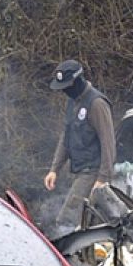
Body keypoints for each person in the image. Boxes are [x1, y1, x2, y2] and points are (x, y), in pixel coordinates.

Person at [44, 59, 115, 234]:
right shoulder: (72, 102)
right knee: (86, 222)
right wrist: (54, 169)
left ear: (76, 82)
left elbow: (108, 143)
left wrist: (103, 179)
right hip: (78, 169)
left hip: (93, 172)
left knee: (67, 219)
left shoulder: (97, 104)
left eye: (66, 87)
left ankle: (66, 257)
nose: (64, 92)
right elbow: (66, 137)